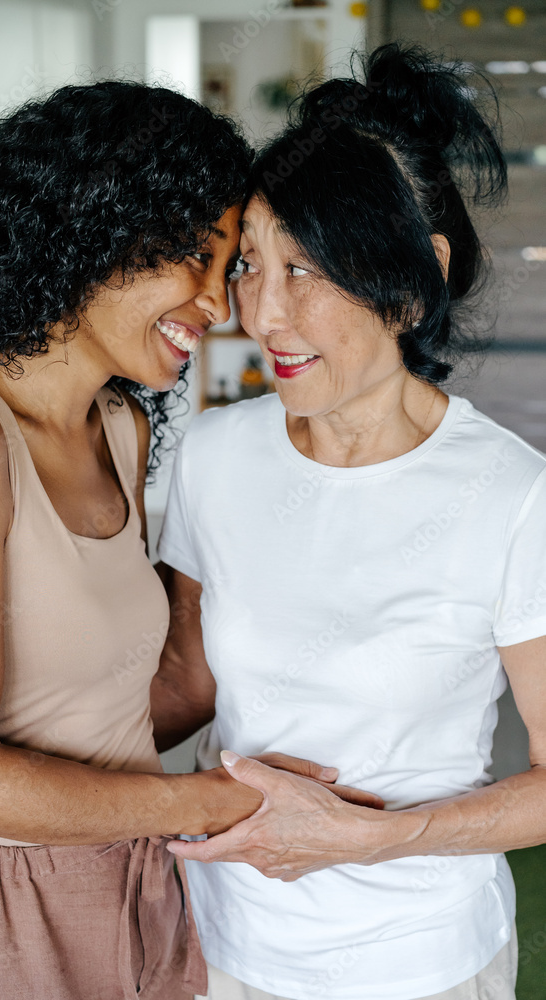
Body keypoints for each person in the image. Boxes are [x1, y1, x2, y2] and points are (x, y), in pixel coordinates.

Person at [0, 80, 374, 1000]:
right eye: (193, 255)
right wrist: (222, 801)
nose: (217, 306)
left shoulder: (120, 428)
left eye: (223, 267)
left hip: (130, 876)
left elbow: (118, 699)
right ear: (88, 231)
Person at [152, 45, 546, 1000]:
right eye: (251, 264)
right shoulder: (216, 453)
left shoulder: (512, 496)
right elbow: (187, 681)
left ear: (414, 283)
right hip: (224, 945)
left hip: (422, 961)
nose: (264, 314)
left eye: (310, 270)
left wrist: (368, 837)